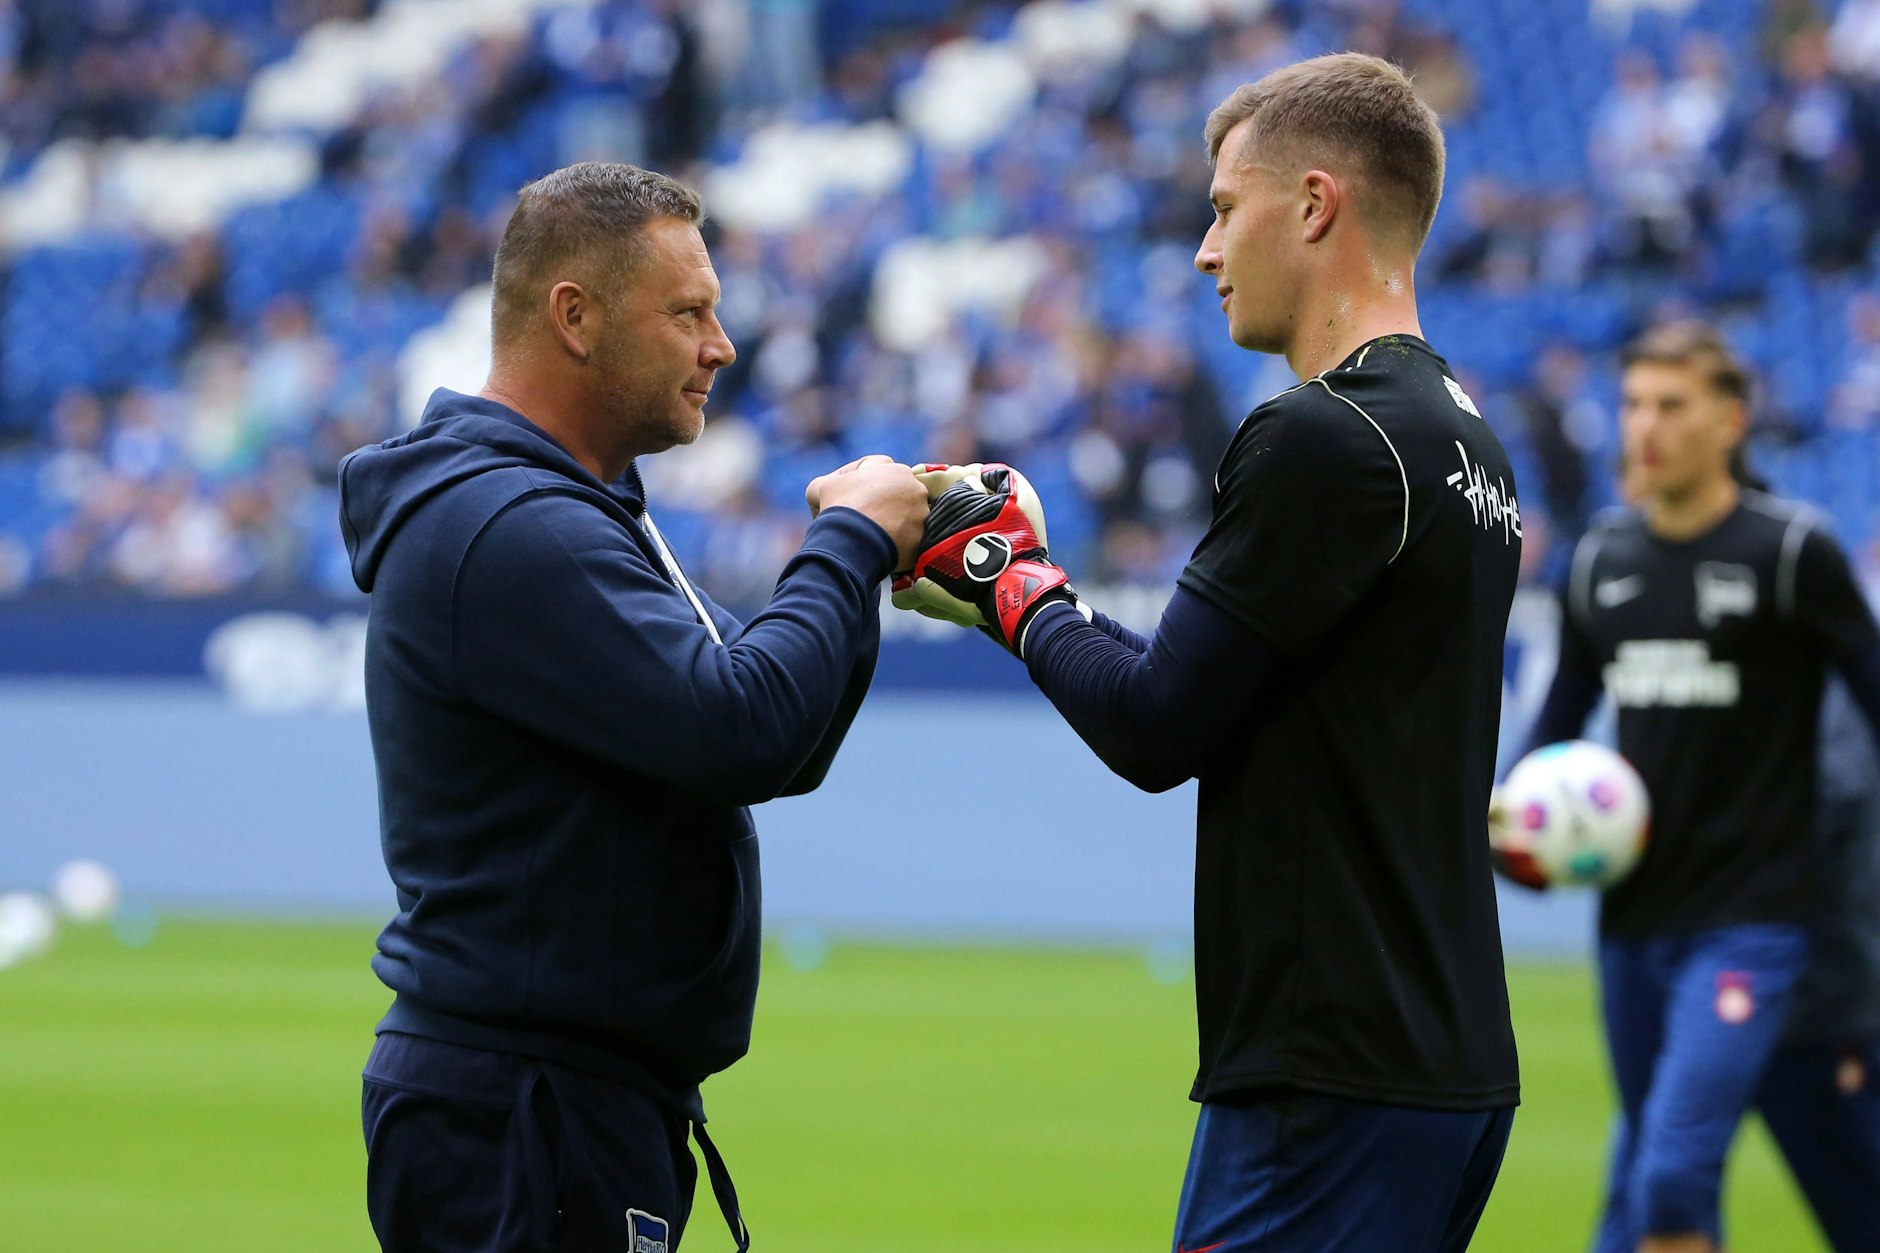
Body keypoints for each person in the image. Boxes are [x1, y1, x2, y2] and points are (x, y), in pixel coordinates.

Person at [893, 54, 1521, 1252]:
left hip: (1326, 1069)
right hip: (1443, 1058)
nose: (1202, 248)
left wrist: (1005, 582)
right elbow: (1211, 682)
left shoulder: (1322, 435)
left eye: (1225, 208)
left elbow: (1153, 727)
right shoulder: (1461, 438)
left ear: (1315, 205)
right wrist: (1037, 587)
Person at [336, 162, 927, 1253]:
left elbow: (767, 744)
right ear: (575, 316)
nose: (721, 344)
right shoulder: (514, 525)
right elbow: (738, 724)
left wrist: (867, 577)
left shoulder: (564, 506)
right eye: (689, 312)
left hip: (555, 1100)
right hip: (522, 1108)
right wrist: (845, 543)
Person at [1502, 321, 1880, 1253]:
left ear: (1730, 421)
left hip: (1755, 922)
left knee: (1672, 1168)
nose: (1646, 426)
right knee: (1647, 1185)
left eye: (1672, 405)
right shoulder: (1603, 559)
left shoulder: (1791, 553)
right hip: (1635, 923)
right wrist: (1508, 825)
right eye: (1632, 404)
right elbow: (1554, 728)